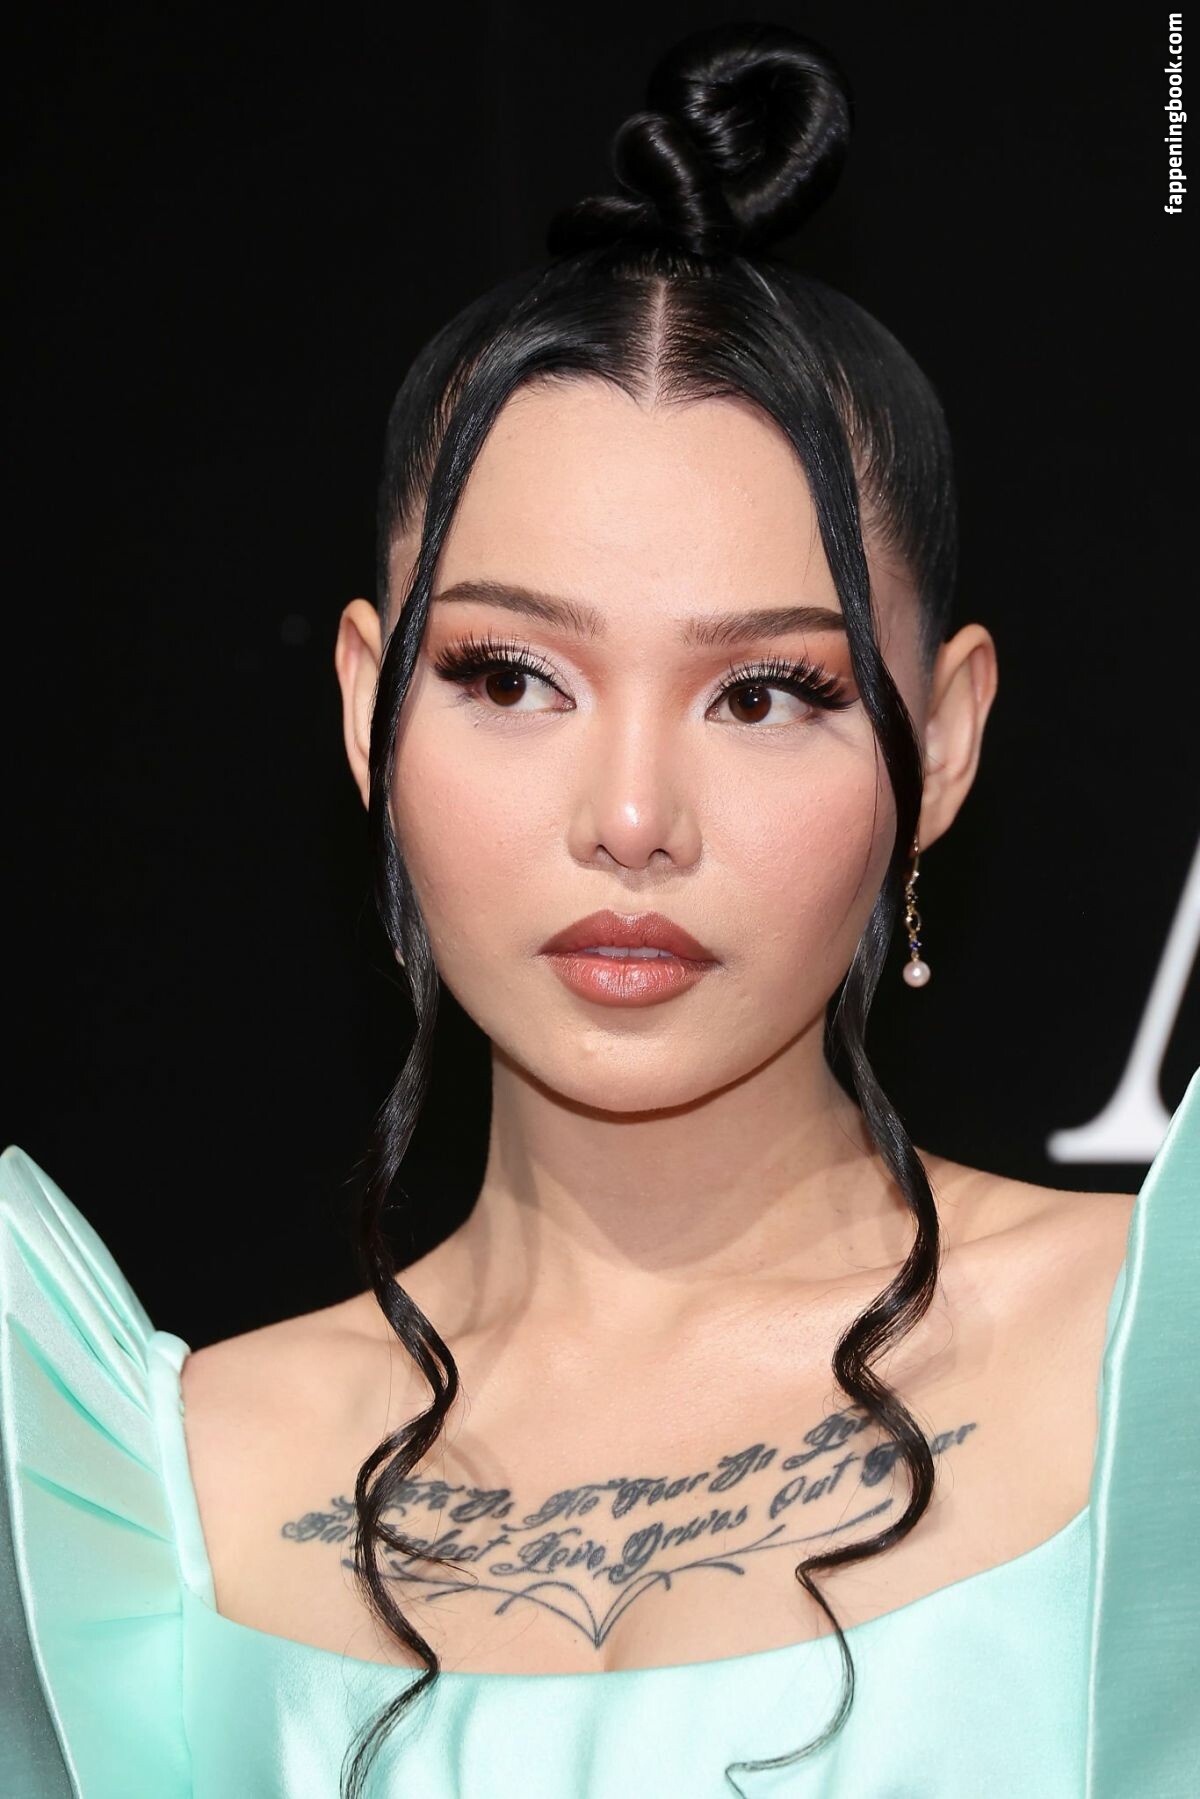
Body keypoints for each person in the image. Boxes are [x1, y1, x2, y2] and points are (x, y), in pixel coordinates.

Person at [2, 19, 1197, 1799]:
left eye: (766, 692)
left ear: (942, 742)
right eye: (510, 677)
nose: (632, 819)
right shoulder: (154, 1506)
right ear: (367, 709)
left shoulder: (1158, 1366)